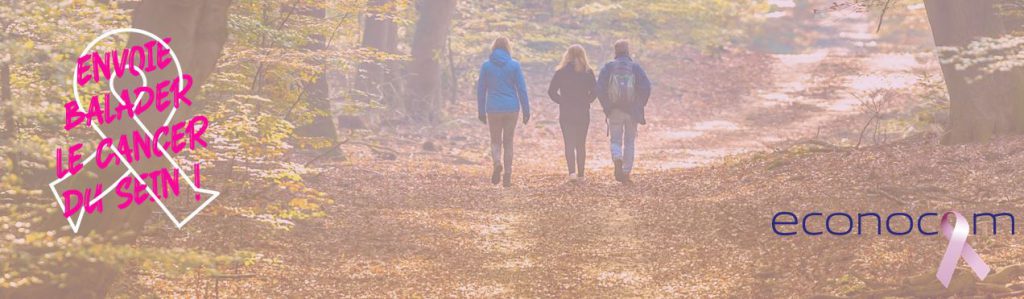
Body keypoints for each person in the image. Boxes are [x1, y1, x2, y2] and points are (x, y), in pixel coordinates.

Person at [476, 37, 530, 187]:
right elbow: (522, 89)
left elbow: (481, 90)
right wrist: (526, 111)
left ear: (493, 48)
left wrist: (481, 111)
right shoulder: (514, 65)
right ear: (508, 48)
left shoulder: (486, 66)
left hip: (493, 108)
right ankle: (507, 174)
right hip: (511, 108)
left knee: (495, 140)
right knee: (508, 141)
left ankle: (497, 163)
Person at [596, 40, 651, 184]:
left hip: (614, 110)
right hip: (632, 111)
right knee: (629, 142)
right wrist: (639, 105)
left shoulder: (608, 67)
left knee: (615, 140)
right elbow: (646, 87)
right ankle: (626, 172)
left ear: (615, 51)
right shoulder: (635, 67)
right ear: (628, 51)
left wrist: (607, 106)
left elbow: (599, 88)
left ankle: (617, 157)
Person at [548, 45, 597, 182]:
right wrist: (587, 101)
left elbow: (551, 91)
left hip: (566, 112)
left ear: (567, 55)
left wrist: (561, 101)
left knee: (569, 143)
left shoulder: (561, 72)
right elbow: (595, 91)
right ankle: (581, 175)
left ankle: (572, 173)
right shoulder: (588, 72)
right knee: (581, 144)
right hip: (582, 112)